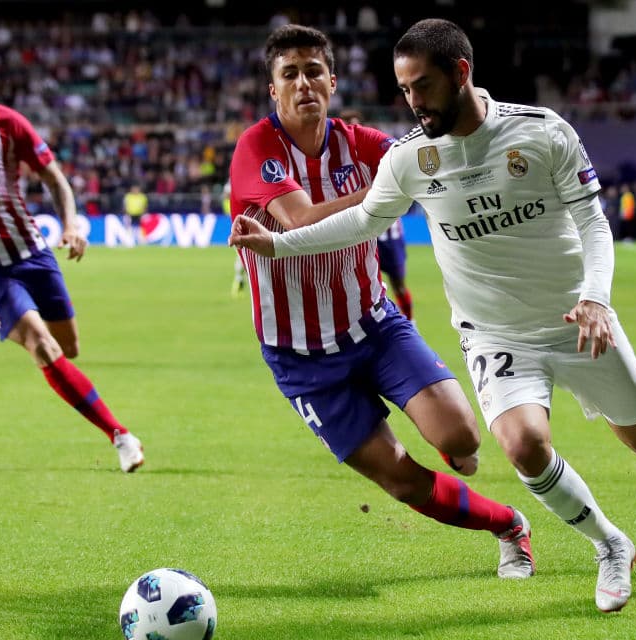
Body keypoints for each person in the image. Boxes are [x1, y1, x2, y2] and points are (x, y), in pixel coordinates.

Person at [230, 18, 636, 612]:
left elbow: (593, 221)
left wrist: (596, 295)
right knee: (522, 447)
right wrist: (277, 246)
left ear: (461, 73)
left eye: (423, 87)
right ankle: (606, 544)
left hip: (572, 314)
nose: (413, 103)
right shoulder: (405, 155)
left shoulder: (540, 132)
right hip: (475, 334)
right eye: (404, 90)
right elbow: (361, 219)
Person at [229, 24, 534, 579]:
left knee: (462, 437)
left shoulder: (365, 144)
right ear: (273, 91)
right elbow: (297, 220)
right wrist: (384, 192)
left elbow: (435, 162)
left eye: (313, 71)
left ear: (332, 82)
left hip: (374, 325)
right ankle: (509, 527)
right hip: (301, 357)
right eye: (289, 74)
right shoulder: (256, 148)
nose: (303, 84)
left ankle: (450, 443)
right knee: (398, 477)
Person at [0, 38, 143, 472]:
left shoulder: (8, 123)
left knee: (67, 347)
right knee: (43, 346)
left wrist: (70, 223)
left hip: (30, 251)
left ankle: (70, 382)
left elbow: (54, 178)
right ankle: (120, 436)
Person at [341, 108, 414, 320]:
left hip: (389, 233)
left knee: (399, 285)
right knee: (365, 288)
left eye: (355, 125)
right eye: (347, 127)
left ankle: (411, 323)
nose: (352, 131)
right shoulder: (337, 160)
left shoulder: (377, 150)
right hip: (361, 233)